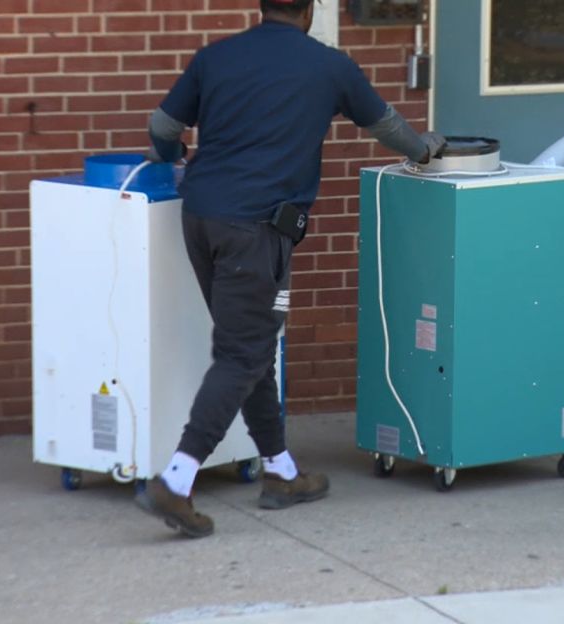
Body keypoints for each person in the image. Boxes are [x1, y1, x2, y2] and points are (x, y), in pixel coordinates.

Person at [140, 0, 445, 538]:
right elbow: (391, 128)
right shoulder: (330, 66)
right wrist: (425, 150)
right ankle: (178, 477)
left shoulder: (217, 57)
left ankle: (280, 472)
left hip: (202, 219)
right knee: (244, 351)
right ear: (310, 11)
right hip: (256, 232)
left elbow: (162, 124)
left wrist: (173, 155)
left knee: (254, 344)